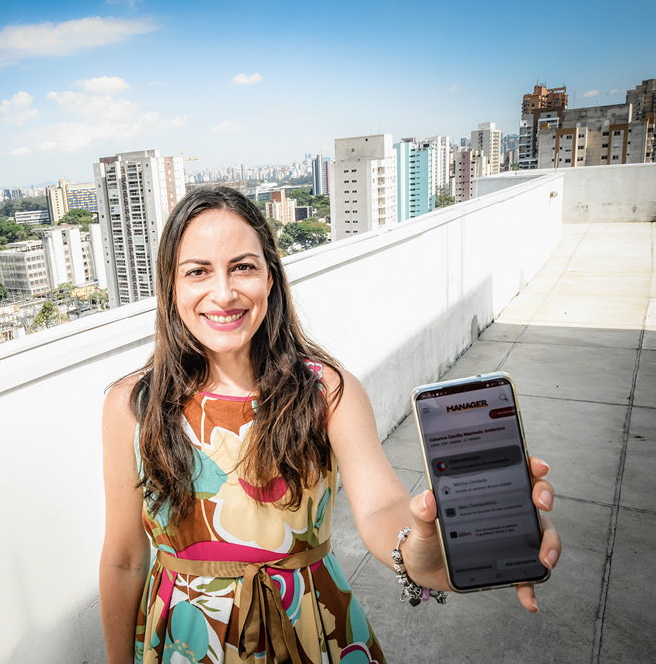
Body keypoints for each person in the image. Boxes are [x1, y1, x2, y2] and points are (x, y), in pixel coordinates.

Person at [99, 186, 560, 663]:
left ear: (271, 278)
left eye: (243, 266)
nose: (223, 292)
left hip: (311, 629)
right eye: (198, 272)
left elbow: (382, 506)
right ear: (170, 287)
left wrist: (423, 549)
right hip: (183, 640)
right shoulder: (132, 406)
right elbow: (124, 560)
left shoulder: (327, 392)